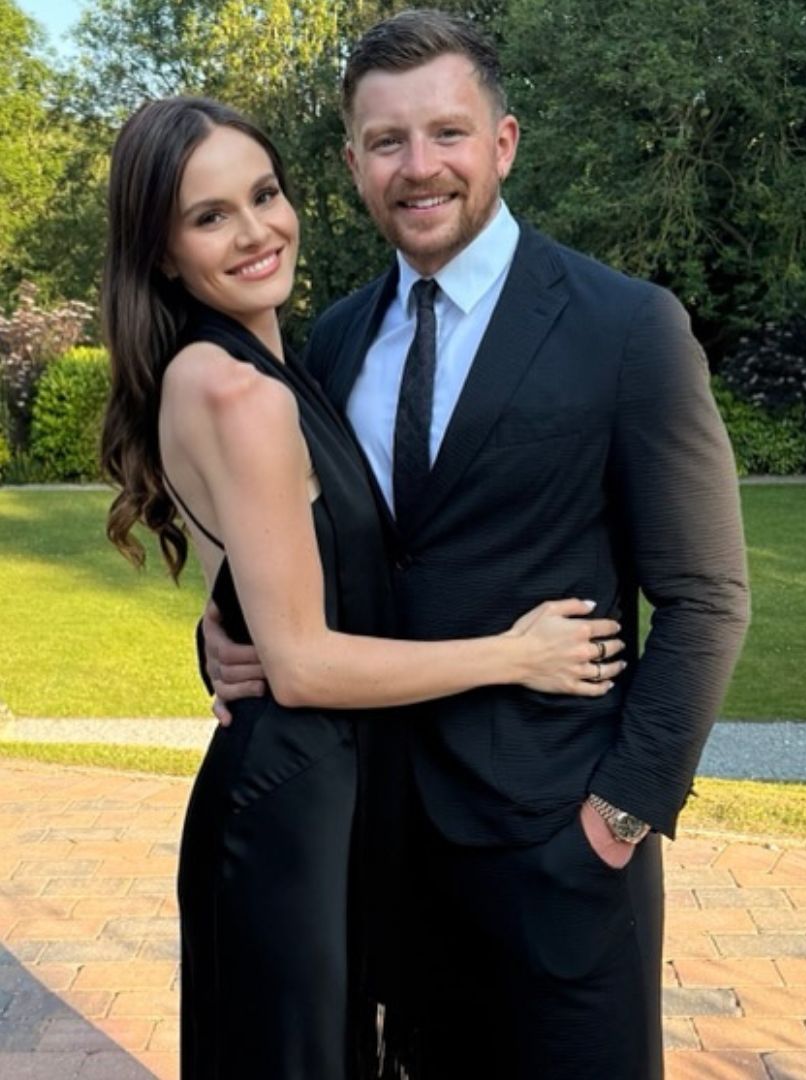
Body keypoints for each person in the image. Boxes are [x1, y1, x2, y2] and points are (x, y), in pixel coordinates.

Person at [204, 11, 749, 1077]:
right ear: (353, 164)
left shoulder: (626, 327)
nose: (420, 167)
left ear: (502, 143)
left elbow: (707, 595)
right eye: (387, 141)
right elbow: (314, 552)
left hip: (560, 849)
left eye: (447, 133)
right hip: (379, 841)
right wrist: (221, 636)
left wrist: (618, 815)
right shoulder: (335, 339)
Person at [98, 97, 627, 1078]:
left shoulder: (269, 369)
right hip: (293, 801)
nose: (256, 231)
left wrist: (220, 631)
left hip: (325, 789)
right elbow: (299, 664)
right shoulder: (238, 391)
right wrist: (516, 654)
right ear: (163, 253)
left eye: (264, 195)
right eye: (210, 216)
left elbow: (265, 594)